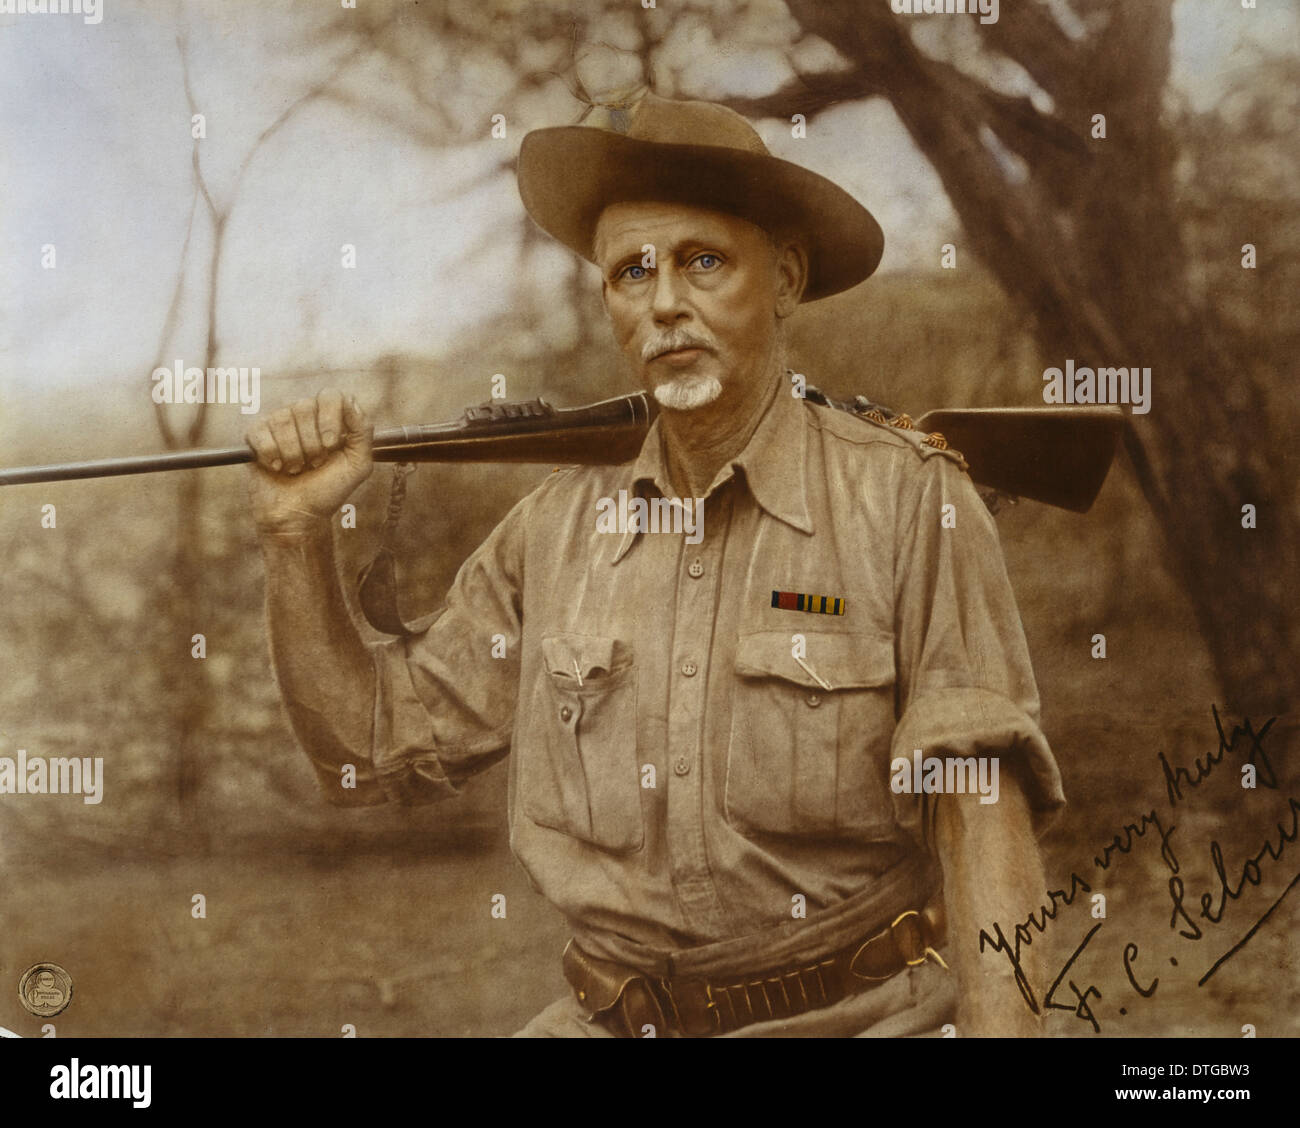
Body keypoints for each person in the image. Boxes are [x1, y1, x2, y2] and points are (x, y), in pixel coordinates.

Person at [245, 92, 1064, 1037]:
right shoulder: (547, 536)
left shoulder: (912, 502)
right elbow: (368, 757)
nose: (664, 300)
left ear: (786, 278)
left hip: (862, 1015)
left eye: (702, 261)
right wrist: (294, 536)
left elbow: (982, 815)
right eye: (631, 272)